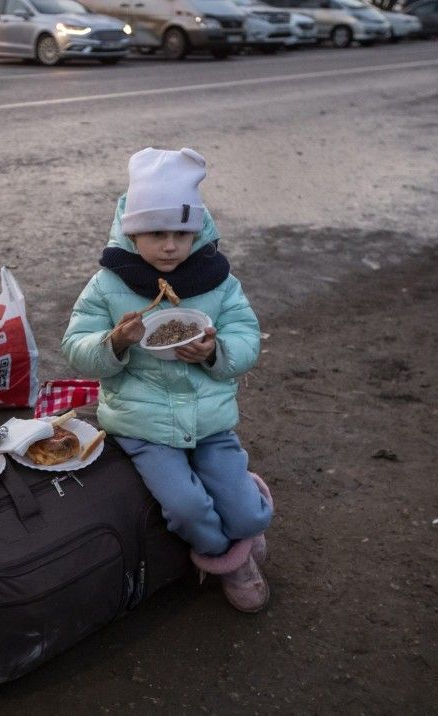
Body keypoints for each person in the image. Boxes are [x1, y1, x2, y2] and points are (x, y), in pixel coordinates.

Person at [61, 147, 274, 613]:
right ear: (133, 230)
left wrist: (215, 351)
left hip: (210, 420)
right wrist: (115, 342)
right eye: (156, 233)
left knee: (243, 510)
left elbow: (246, 336)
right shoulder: (109, 283)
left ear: (197, 230)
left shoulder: (217, 279)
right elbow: (75, 343)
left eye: (181, 232)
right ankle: (230, 561)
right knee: (189, 509)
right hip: (144, 426)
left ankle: (247, 515)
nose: (171, 246)